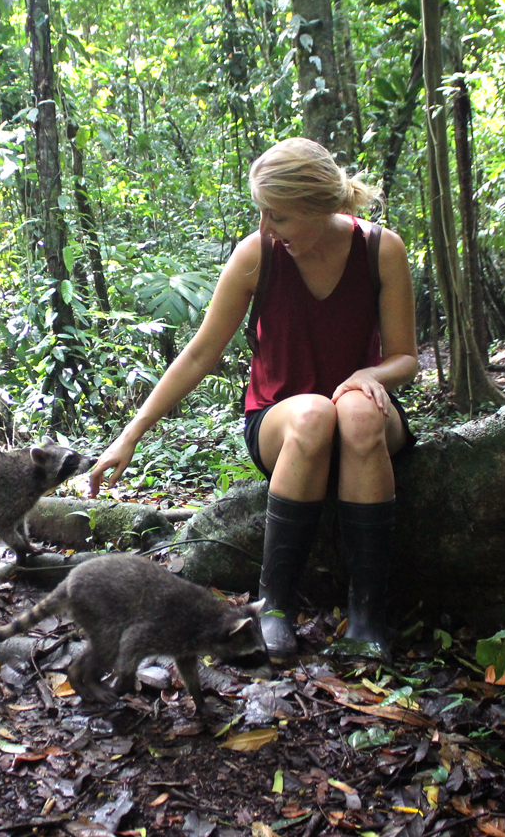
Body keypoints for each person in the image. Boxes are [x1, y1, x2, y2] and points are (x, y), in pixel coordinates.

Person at [86, 138, 418, 657]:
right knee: (315, 413)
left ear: (318, 207)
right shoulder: (258, 255)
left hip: (365, 420)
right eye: (262, 214)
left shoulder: (381, 249)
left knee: (350, 409)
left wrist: (370, 375)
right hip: (284, 423)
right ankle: (274, 607)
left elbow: (405, 358)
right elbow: (200, 354)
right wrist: (131, 434)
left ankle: (367, 617)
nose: (266, 228)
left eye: (279, 217)